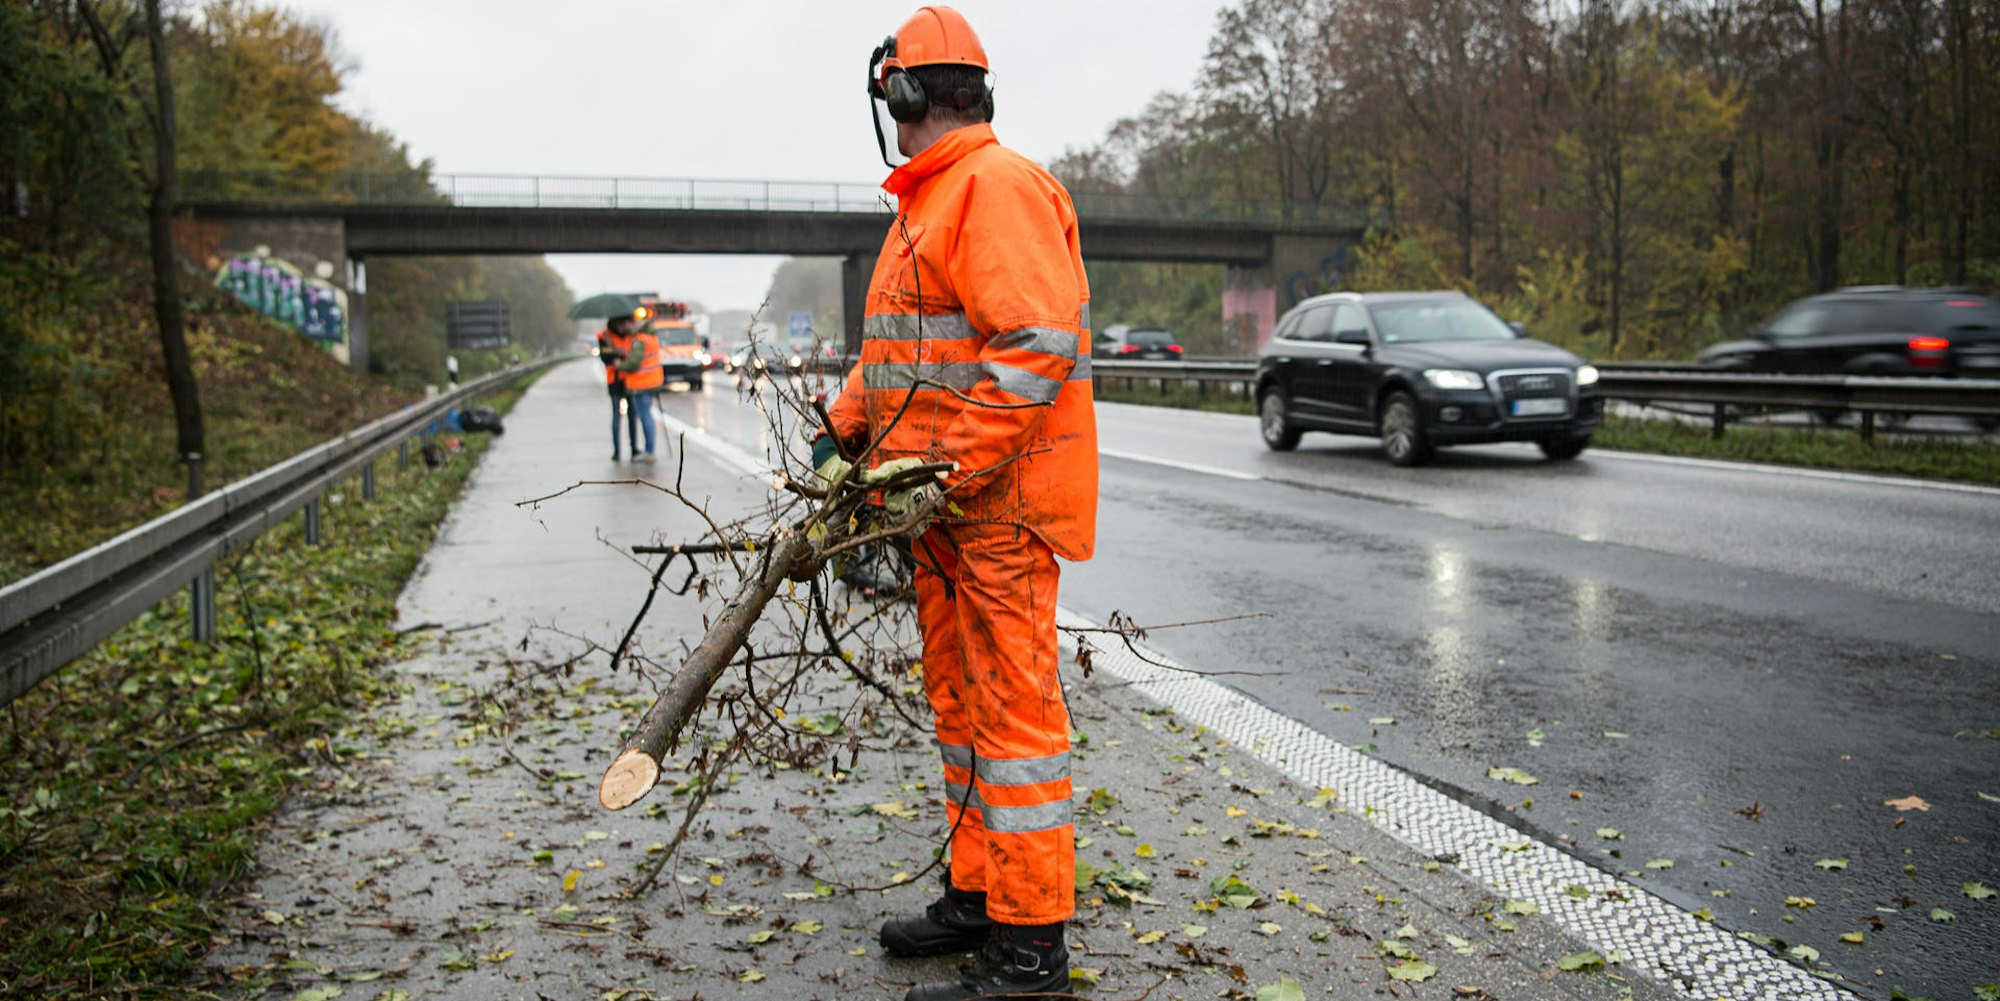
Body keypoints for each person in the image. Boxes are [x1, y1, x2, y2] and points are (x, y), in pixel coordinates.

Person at [814, 8, 1096, 998]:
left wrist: (944, 469)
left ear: (901, 92)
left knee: (1013, 718)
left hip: (996, 510)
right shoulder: (926, 204)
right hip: (942, 511)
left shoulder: (990, 188)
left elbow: (1033, 349)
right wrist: (841, 427)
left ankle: (1030, 946)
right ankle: (981, 894)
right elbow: (900, 356)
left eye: (885, 92)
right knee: (963, 706)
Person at [618, 316, 664, 463]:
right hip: (651, 382)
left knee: (645, 417)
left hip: (641, 384)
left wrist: (620, 364)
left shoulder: (639, 341)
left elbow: (634, 364)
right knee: (647, 416)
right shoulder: (650, 337)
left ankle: (649, 451)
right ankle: (649, 450)